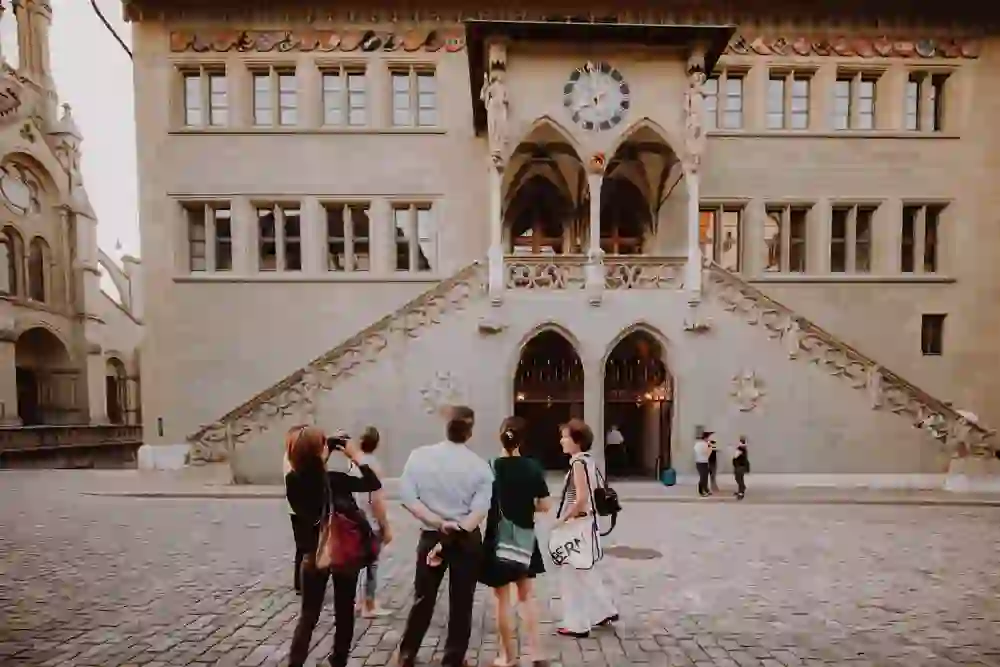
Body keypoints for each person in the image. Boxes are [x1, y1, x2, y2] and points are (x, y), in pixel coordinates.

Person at [397, 405, 494, 667]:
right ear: (470, 432)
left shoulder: (419, 457)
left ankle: (408, 652)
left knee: (423, 597)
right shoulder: (480, 467)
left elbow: (407, 497)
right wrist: (459, 528)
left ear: (446, 427)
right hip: (466, 538)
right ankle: (453, 657)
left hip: (432, 535)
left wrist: (437, 521)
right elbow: (479, 511)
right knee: (462, 601)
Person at [284, 426, 382, 667]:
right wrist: (354, 454)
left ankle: (294, 663)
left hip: (313, 554)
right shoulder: (335, 480)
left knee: (308, 615)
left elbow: (306, 470)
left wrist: (319, 451)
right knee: (344, 612)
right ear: (321, 452)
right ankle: (338, 661)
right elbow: (373, 482)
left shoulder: (292, 482)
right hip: (342, 553)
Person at [480, 416, 551, 667]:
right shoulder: (532, 467)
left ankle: (508, 657)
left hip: (497, 538)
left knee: (502, 600)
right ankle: (537, 653)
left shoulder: (489, 467)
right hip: (524, 537)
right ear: (523, 440)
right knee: (527, 597)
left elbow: (481, 504)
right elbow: (544, 505)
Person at [554, 419, 619, 639]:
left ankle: (577, 624)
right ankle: (605, 610)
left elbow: (580, 499)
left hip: (577, 523)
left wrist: (562, 519)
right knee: (584, 570)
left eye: (565, 437)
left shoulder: (578, 464)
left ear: (577, 441)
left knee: (571, 573)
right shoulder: (588, 461)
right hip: (586, 523)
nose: (561, 441)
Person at [354, 426, 393, 618]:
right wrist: (385, 525)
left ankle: (360, 600)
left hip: (356, 519)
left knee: (360, 562)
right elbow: (376, 500)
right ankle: (368, 605)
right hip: (371, 522)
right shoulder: (373, 466)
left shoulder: (354, 463)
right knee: (372, 564)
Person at [694, 431, 714, 497]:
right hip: (701, 462)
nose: (710, 439)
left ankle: (706, 489)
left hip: (701, 462)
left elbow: (696, 450)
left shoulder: (698, 444)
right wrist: (710, 447)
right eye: (709, 437)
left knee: (705, 477)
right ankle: (701, 491)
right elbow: (708, 453)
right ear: (706, 438)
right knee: (703, 477)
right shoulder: (705, 444)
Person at [732, 436, 750, 500]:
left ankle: (741, 492)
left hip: (740, 466)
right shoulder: (742, 448)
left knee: (739, 479)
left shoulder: (741, 448)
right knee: (738, 478)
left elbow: (735, 456)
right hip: (739, 466)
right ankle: (742, 489)